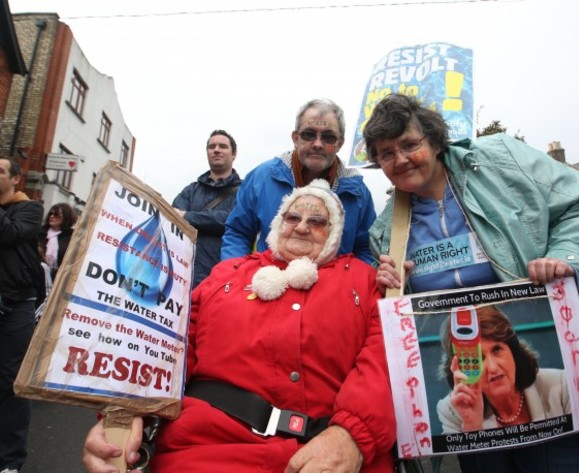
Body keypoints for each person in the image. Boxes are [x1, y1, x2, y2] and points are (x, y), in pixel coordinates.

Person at [364, 94, 579, 473]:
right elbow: (412, 320)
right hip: (473, 401)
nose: (400, 160)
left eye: (409, 145)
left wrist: (567, 258)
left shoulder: (501, 158)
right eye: (386, 154)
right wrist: (393, 285)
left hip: (562, 377)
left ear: (434, 140)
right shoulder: (387, 230)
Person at [82, 179, 396, 473]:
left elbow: (387, 359)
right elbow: (170, 347)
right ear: (277, 223)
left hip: (326, 453)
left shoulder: (363, 280)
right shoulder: (226, 274)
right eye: (292, 217)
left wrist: (353, 436)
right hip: (202, 451)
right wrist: (127, 410)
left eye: (317, 222)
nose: (301, 227)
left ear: (334, 234)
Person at [221, 98, 376, 264]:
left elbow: (366, 250)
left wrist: (355, 285)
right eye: (309, 135)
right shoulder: (262, 178)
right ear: (295, 138)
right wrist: (237, 278)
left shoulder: (357, 192)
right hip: (269, 284)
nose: (317, 144)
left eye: (328, 137)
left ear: (340, 143)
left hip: (334, 288)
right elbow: (238, 233)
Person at [437, 306, 570, 433]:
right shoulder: (452, 412)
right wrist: (473, 427)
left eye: (497, 350)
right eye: (479, 358)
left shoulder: (561, 386)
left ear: (513, 351)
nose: (493, 367)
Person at [0, 157, 44, 473]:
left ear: (16, 179)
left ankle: (10, 460)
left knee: (11, 381)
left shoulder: (30, 209)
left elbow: (8, 234)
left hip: (16, 304)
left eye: (0, 171)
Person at [172, 129, 242, 288]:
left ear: (234, 154)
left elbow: (231, 220)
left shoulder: (244, 191)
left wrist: (187, 217)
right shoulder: (190, 191)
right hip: (182, 279)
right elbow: (173, 218)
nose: (216, 149)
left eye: (223, 146)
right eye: (212, 147)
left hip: (223, 280)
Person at [39, 202, 77, 281]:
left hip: (57, 279)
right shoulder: (40, 232)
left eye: (56, 214)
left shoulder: (72, 237)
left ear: (66, 217)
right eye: (50, 214)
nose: (52, 216)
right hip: (37, 276)